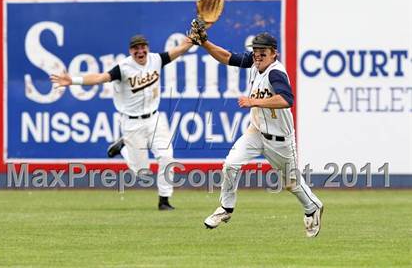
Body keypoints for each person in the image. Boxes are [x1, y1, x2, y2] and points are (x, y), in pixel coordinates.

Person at [196, 31, 324, 237]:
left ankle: (312, 207)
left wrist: (254, 101)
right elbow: (226, 57)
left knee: (291, 183)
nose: (257, 55)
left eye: (262, 51)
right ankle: (226, 208)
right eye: (255, 51)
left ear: (274, 53)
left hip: (280, 139)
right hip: (256, 132)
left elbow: (286, 100)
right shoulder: (255, 64)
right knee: (231, 164)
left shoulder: (275, 72)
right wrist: (204, 42)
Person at [51, 34, 193, 210]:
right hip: (132, 124)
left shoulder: (156, 59)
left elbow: (180, 49)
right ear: (130, 51)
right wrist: (73, 80)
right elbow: (99, 78)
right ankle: (122, 147)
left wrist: (195, 36)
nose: (140, 51)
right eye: (136, 48)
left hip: (155, 119)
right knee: (142, 173)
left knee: (166, 157)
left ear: (147, 48)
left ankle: (164, 200)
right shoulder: (124, 67)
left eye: (143, 47)